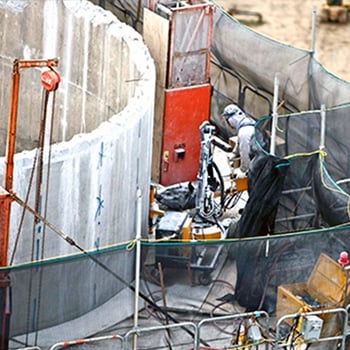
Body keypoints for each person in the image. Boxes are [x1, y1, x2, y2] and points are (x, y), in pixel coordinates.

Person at [222, 103, 255, 177]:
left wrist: (243, 170)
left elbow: (245, 154)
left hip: (259, 165)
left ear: (231, 120)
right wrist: (234, 153)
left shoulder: (244, 132)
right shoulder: (248, 122)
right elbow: (240, 141)